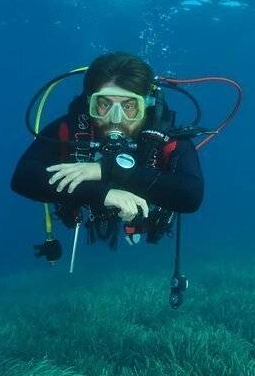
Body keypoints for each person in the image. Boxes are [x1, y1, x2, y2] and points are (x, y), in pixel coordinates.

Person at [11, 52, 204, 252]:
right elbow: (23, 177)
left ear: (147, 104)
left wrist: (106, 170)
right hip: (90, 204)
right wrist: (102, 193)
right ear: (89, 102)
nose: (116, 119)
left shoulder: (164, 135)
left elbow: (191, 195)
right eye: (104, 104)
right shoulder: (72, 128)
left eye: (129, 106)